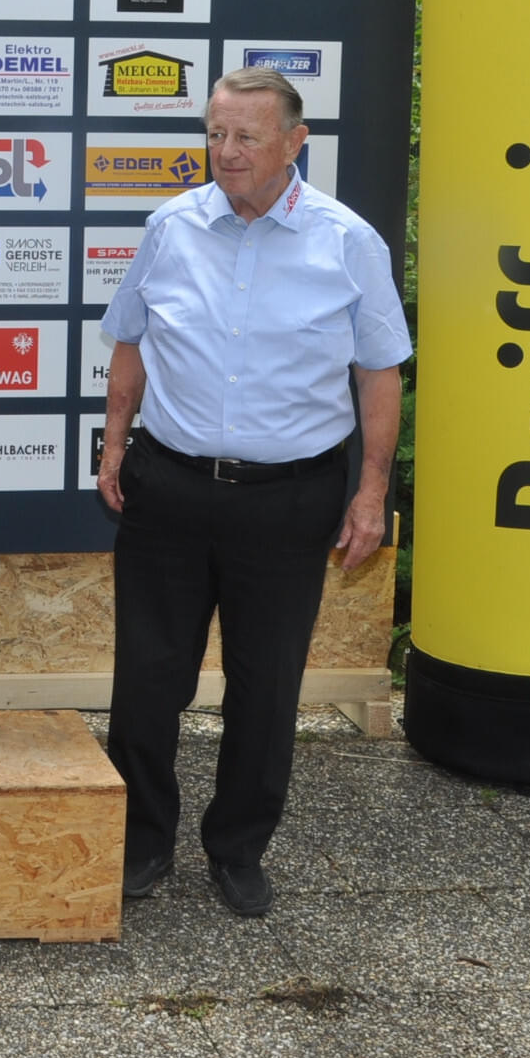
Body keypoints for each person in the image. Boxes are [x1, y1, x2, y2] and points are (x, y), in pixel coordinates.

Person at [96, 66, 410, 917]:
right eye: (215, 134)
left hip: (288, 499)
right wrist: (115, 443)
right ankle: (141, 842)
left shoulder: (348, 241)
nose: (225, 153)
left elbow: (380, 372)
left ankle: (238, 849)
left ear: (294, 144)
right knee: (148, 680)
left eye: (246, 137)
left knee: (266, 687)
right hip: (168, 486)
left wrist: (371, 491)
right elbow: (129, 339)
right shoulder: (170, 226)